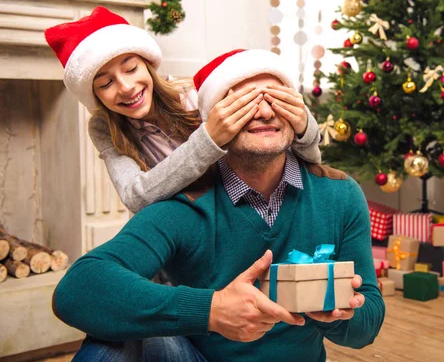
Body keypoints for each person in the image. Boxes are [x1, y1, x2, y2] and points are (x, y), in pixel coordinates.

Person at [52, 49, 386, 362]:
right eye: (245, 103)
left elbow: (367, 325)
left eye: (276, 99)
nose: (266, 112)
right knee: (111, 336)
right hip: (197, 355)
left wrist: (335, 313)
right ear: (215, 122)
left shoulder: (339, 194)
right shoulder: (184, 205)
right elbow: (78, 290)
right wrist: (212, 310)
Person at [44, 7, 321, 213]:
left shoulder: (193, 95)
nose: (126, 87)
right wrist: (208, 139)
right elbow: (135, 197)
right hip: (173, 233)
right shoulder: (103, 126)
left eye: (131, 68)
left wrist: (304, 125)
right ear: (94, 94)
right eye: (106, 83)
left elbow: (298, 156)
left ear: (148, 65)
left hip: (232, 218)